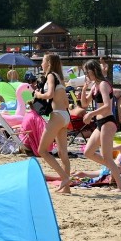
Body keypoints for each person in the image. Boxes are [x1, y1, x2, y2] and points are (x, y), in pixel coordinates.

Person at [81, 59, 121, 192]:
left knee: (107, 156)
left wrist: (90, 114)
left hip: (108, 121)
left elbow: (107, 106)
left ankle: (120, 187)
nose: (86, 75)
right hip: (100, 123)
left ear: (94, 71)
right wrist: (84, 89)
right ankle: (113, 168)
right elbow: (84, 104)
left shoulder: (103, 85)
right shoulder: (95, 86)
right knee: (88, 152)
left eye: (87, 72)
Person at [34, 53, 72, 194]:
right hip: (65, 115)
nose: (41, 64)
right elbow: (67, 102)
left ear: (48, 63)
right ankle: (66, 188)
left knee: (42, 150)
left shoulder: (50, 76)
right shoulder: (60, 78)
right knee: (63, 153)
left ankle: (64, 178)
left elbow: (49, 94)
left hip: (56, 115)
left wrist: (38, 95)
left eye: (43, 61)